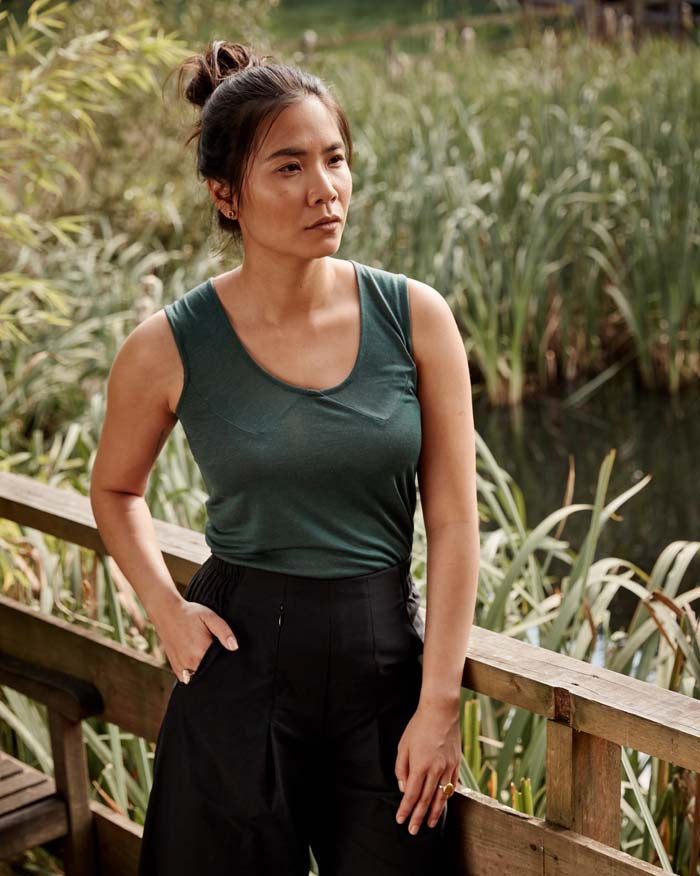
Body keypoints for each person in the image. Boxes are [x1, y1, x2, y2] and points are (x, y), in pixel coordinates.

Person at [89, 39, 479, 876]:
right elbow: (116, 489)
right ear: (225, 195)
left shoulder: (416, 317)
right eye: (290, 167)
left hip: (384, 670)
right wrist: (166, 610)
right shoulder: (166, 346)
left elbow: (452, 521)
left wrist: (439, 701)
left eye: (334, 159)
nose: (324, 188)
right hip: (237, 664)